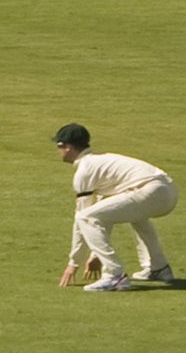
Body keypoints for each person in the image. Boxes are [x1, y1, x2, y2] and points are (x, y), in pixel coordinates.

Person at [51, 124, 177, 291]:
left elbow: (83, 219)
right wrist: (95, 254)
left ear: (65, 146)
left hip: (149, 190)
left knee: (85, 217)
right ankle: (158, 267)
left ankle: (114, 275)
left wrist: (74, 263)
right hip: (168, 191)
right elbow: (105, 215)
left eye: (59, 147)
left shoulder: (85, 171)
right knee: (136, 216)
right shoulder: (101, 164)